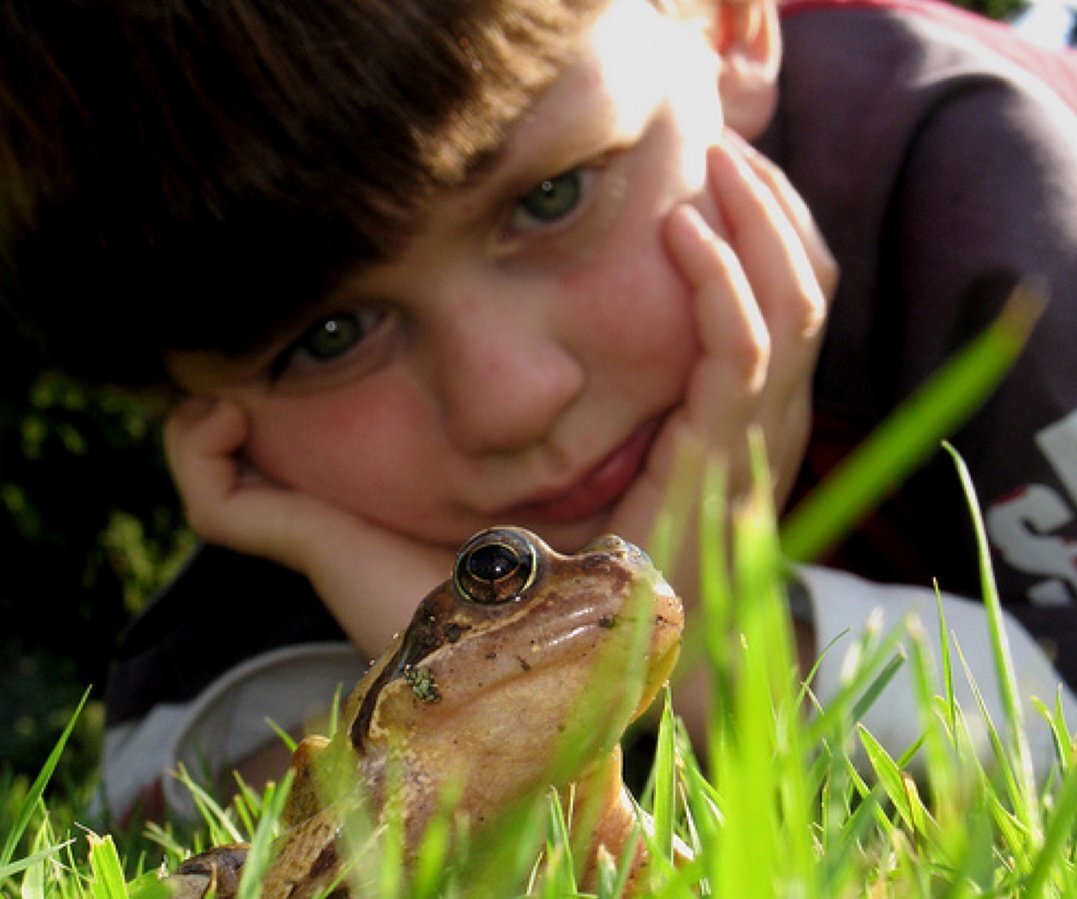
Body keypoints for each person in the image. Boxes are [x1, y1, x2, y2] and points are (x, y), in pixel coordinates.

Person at [1, 0, 1074, 822]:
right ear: (197, 407)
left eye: (550, 196)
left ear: (731, 25)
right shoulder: (306, 492)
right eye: (325, 337)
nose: (511, 399)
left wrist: (728, 647)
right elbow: (176, 795)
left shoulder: (994, 193)